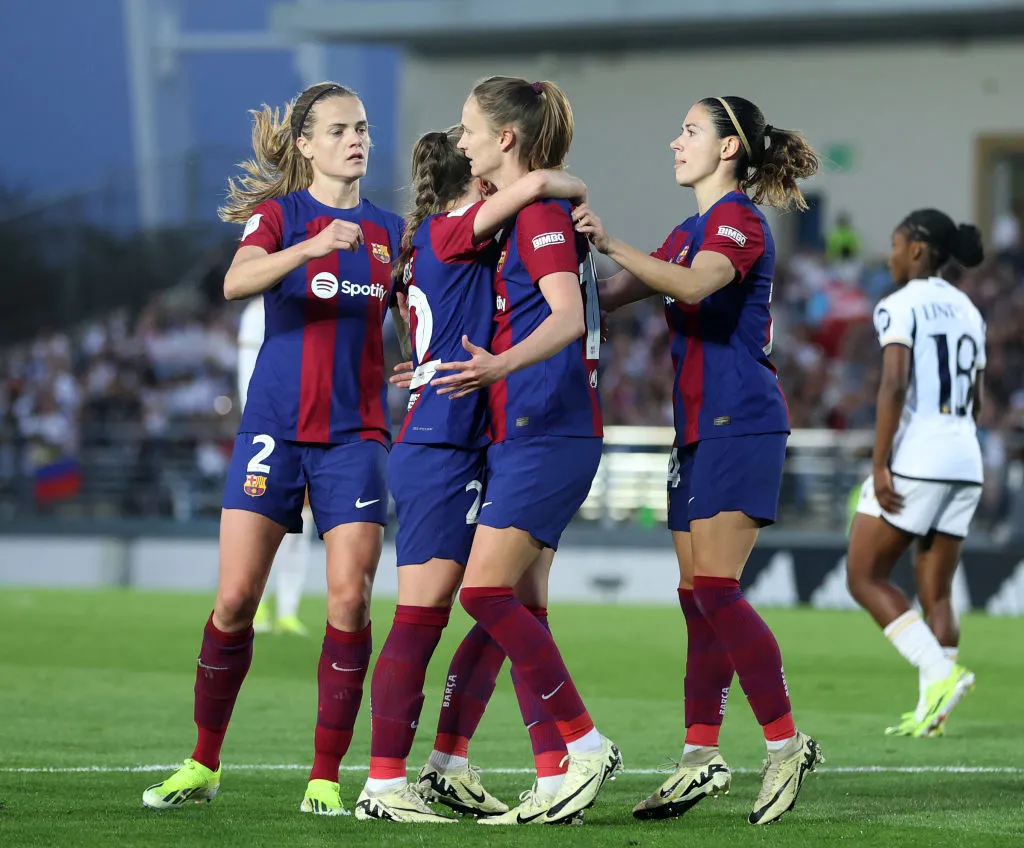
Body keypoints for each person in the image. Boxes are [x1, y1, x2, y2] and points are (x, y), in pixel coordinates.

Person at [141, 81, 405, 816]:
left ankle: (324, 775)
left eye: (363, 127)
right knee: (234, 602)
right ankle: (203, 762)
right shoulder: (281, 216)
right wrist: (311, 246)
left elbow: (418, 307)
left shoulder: (391, 231)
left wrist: (423, 357)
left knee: (349, 600)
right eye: (340, 129)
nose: (356, 139)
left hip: (356, 436)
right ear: (307, 144)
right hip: (274, 433)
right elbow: (235, 282)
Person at [574, 95, 822, 826]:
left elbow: (686, 284)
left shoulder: (737, 222)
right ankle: (699, 755)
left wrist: (612, 242)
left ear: (728, 149)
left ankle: (785, 742)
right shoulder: (690, 228)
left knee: (715, 588)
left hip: (739, 422)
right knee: (696, 596)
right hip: (695, 429)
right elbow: (611, 296)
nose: (674, 141)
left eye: (689, 131)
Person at [354, 128, 587, 823]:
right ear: (477, 183)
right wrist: (570, 187)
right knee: (423, 617)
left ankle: (451, 764)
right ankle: (382, 784)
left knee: (498, 604)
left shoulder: (438, 241)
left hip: (469, 436)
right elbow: (542, 183)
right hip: (438, 444)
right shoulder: (455, 228)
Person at [412, 76, 619, 828]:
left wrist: (499, 368)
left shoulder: (535, 215)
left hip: (546, 428)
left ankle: (585, 746)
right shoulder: (534, 212)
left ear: (504, 138)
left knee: (484, 594)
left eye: (469, 128)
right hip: (536, 428)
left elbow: (564, 318)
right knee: (518, 604)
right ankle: (510, 767)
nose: (459, 140)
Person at [846, 209, 984, 738]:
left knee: (864, 576)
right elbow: (971, 392)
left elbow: (895, 384)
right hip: (965, 457)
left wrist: (880, 463)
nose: (891, 254)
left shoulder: (900, 304)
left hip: (920, 457)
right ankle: (935, 710)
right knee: (938, 593)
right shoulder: (970, 309)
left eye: (896, 244)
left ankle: (939, 671)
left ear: (919, 250)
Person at [238, 297, 312, 637]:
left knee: (303, 524)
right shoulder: (258, 311)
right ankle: (256, 605)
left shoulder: (311, 298)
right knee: (261, 523)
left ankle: (287, 609)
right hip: (268, 431)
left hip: (309, 429)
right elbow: (247, 373)